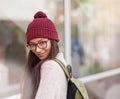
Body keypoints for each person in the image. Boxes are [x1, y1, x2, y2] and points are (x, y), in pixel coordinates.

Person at [21, 11, 67, 99]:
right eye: (33, 45)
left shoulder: (50, 67)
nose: (37, 49)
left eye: (42, 43)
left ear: (52, 42)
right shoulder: (61, 62)